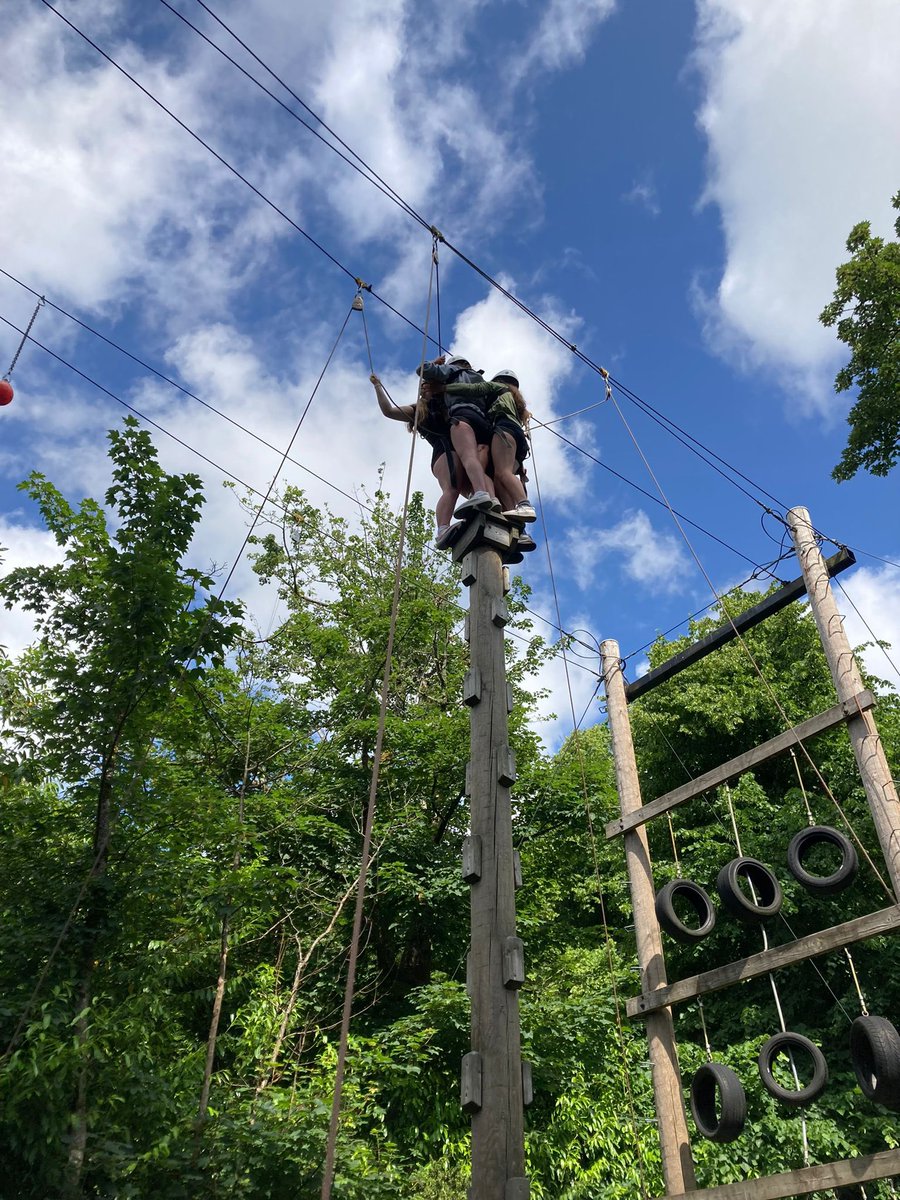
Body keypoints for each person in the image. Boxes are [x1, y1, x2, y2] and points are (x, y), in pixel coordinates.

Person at [369, 372, 472, 548]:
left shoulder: (448, 404)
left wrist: (438, 367)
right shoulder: (419, 410)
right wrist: (378, 386)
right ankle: (442, 530)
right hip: (445, 452)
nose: (428, 390)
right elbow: (389, 411)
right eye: (425, 388)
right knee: (452, 488)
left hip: (460, 451)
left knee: (471, 491)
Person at [444, 368, 538, 551]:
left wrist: (446, 389)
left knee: (502, 474)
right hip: (518, 442)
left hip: (504, 430)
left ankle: (524, 505)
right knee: (500, 480)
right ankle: (522, 532)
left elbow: (477, 388)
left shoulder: (499, 388)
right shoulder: (517, 405)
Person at [418, 355, 498, 520]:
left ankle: (480, 493)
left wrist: (436, 364)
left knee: (468, 456)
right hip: (483, 423)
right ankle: (492, 498)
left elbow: (422, 370)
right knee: (482, 466)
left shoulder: (452, 370)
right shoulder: (479, 378)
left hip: (463, 415)